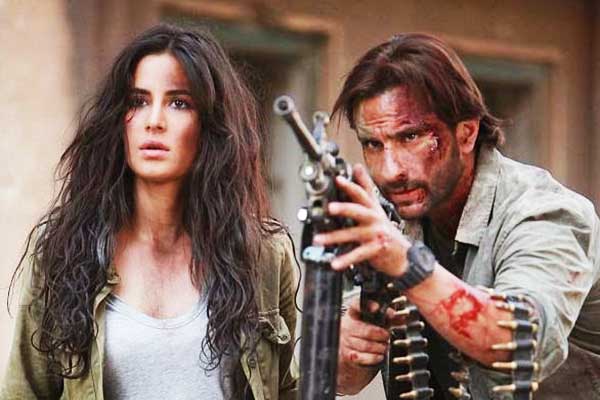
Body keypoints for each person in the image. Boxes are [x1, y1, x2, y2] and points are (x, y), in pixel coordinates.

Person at [1, 24, 298, 400]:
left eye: (179, 103)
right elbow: (23, 392)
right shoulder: (65, 251)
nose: (154, 120)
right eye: (137, 101)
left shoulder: (263, 255)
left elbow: (287, 389)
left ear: (210, 125)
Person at [315, 33, 600, 399]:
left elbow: (517, 340)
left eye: (411, 137)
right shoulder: (389, 218)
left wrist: (405, 264)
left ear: (466, 134)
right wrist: (346, 348)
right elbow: (346, 379)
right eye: (373, 144)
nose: (390, 171)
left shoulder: (545, 213)